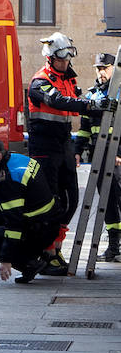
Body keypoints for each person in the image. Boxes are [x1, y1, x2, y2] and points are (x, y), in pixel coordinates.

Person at [27, 32, 105, 275]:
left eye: (68, 58)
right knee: (50, 202)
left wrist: (100, 103)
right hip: (44, 147)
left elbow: (75, 101)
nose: (66, 62)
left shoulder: (68, 79)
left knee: (70, 200)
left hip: (63, 143)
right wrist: (90, 105)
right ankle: (47, 253)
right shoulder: (40, 82)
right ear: (50, 58)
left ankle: (56, 248)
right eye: (61, 59)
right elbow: (59, 102)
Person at [0, 139, 59, 283]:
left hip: (39, 230)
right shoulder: (17, 158)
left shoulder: (6, 180)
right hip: (50, 220)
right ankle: (39, 252)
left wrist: (6, 259)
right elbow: (26, 190)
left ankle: (29, 264)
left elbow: (14, 224)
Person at [75, 53, 119, 261]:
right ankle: (113, 247)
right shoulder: (91, 96)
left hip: (118, 156)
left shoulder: (119, 94)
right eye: (98, 68)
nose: (101, 72)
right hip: (100, 156)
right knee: (108, 202)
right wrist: (77, 150)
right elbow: (84, 129)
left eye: (105, 68)